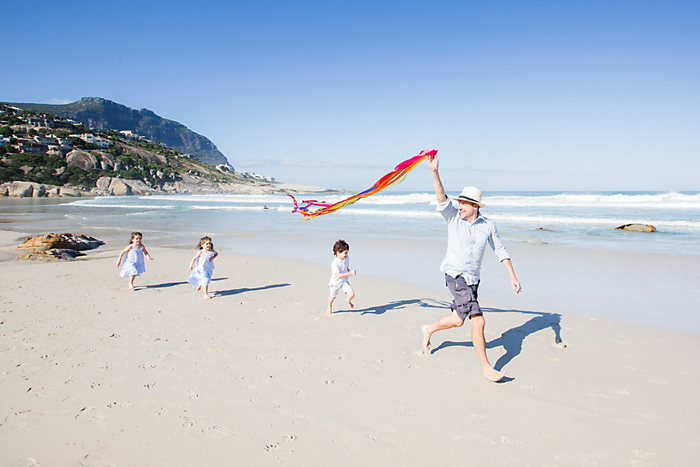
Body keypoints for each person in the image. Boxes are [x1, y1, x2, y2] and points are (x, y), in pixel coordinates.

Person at [421, 154, 521, 382]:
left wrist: (513, 277)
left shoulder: (488, 226)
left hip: (472, 279)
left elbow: (501, 251)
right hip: (455, 276)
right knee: (479, 320)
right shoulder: (452, 218)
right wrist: (434, 172)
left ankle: (428, 328)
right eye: (459, 202)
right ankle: (486, 368)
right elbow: (441, 198)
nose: (459, 206)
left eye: (464, 203)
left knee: (458, 320)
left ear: (475, 206)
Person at [327, 239, 356, 315]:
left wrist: (347, 269)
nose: (346, 254)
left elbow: (346, 265)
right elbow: (339, 275)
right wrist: (350, 273)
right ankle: (329, 307)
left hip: (344, 281)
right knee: (332, 297)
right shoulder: (335, 263)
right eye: (345, 253)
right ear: (338, 252)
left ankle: (348, 301)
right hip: (335, 283)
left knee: (352, 294)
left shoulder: (347, 257)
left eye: (347, 252)